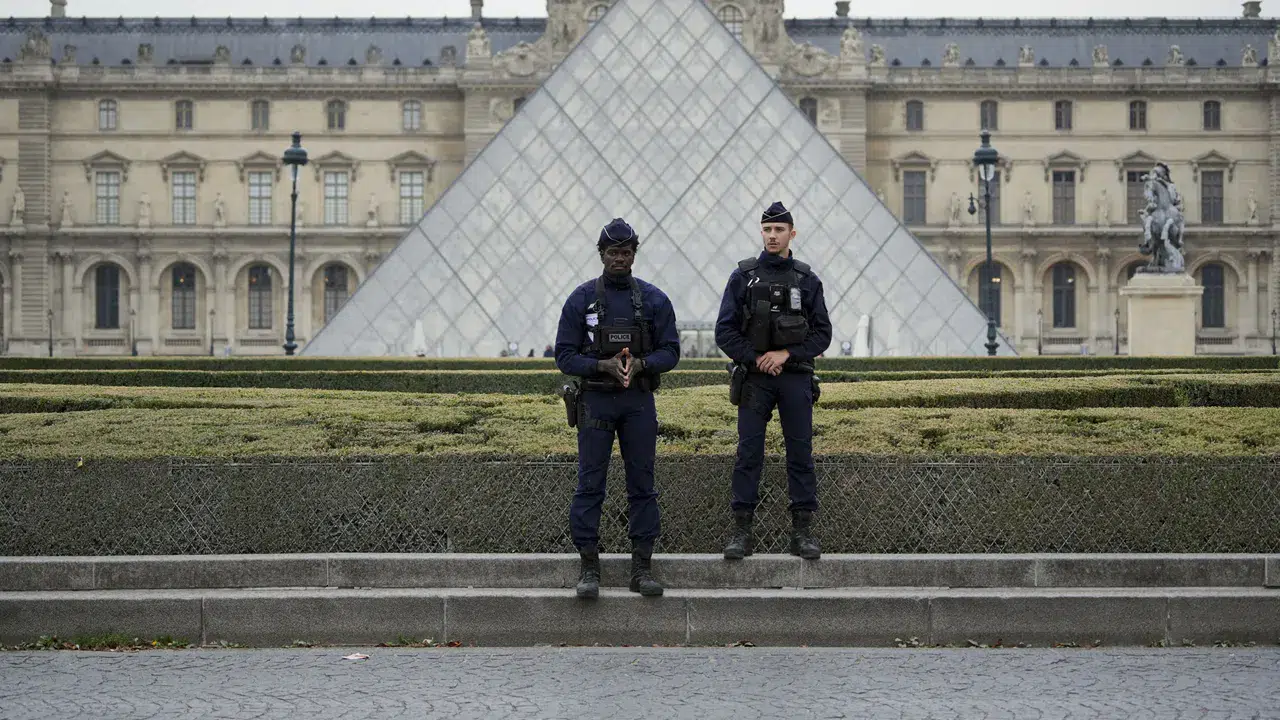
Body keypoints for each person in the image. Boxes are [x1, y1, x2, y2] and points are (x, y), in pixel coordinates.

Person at [555, 218, 681, 599]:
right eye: (613, 253)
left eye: (626, 253)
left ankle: (641, 568)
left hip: (637, 401)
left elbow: (671, 351)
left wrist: (641, 364)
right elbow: (564, 355)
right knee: (590, 484)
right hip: (595, 400)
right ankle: (589, 567)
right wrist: (601, 365)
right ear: (602, 254)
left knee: (642, 485)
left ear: (634, 255)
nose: (619, 260)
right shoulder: (581, 300)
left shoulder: (655, 300)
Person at [714, 201, 832, 561]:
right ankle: (741, 533)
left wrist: (786, 355)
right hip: (755, 380)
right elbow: (725, 332)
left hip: (794, 378)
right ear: (760, 232)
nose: (772, 236)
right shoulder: (742, 277)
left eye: (779, 230)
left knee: (801, 454)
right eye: (767, 229)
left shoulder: (807, 280)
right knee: (748, 454)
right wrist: (757, 359)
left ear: (792, 233)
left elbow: (823, 334)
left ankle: (802, 533)